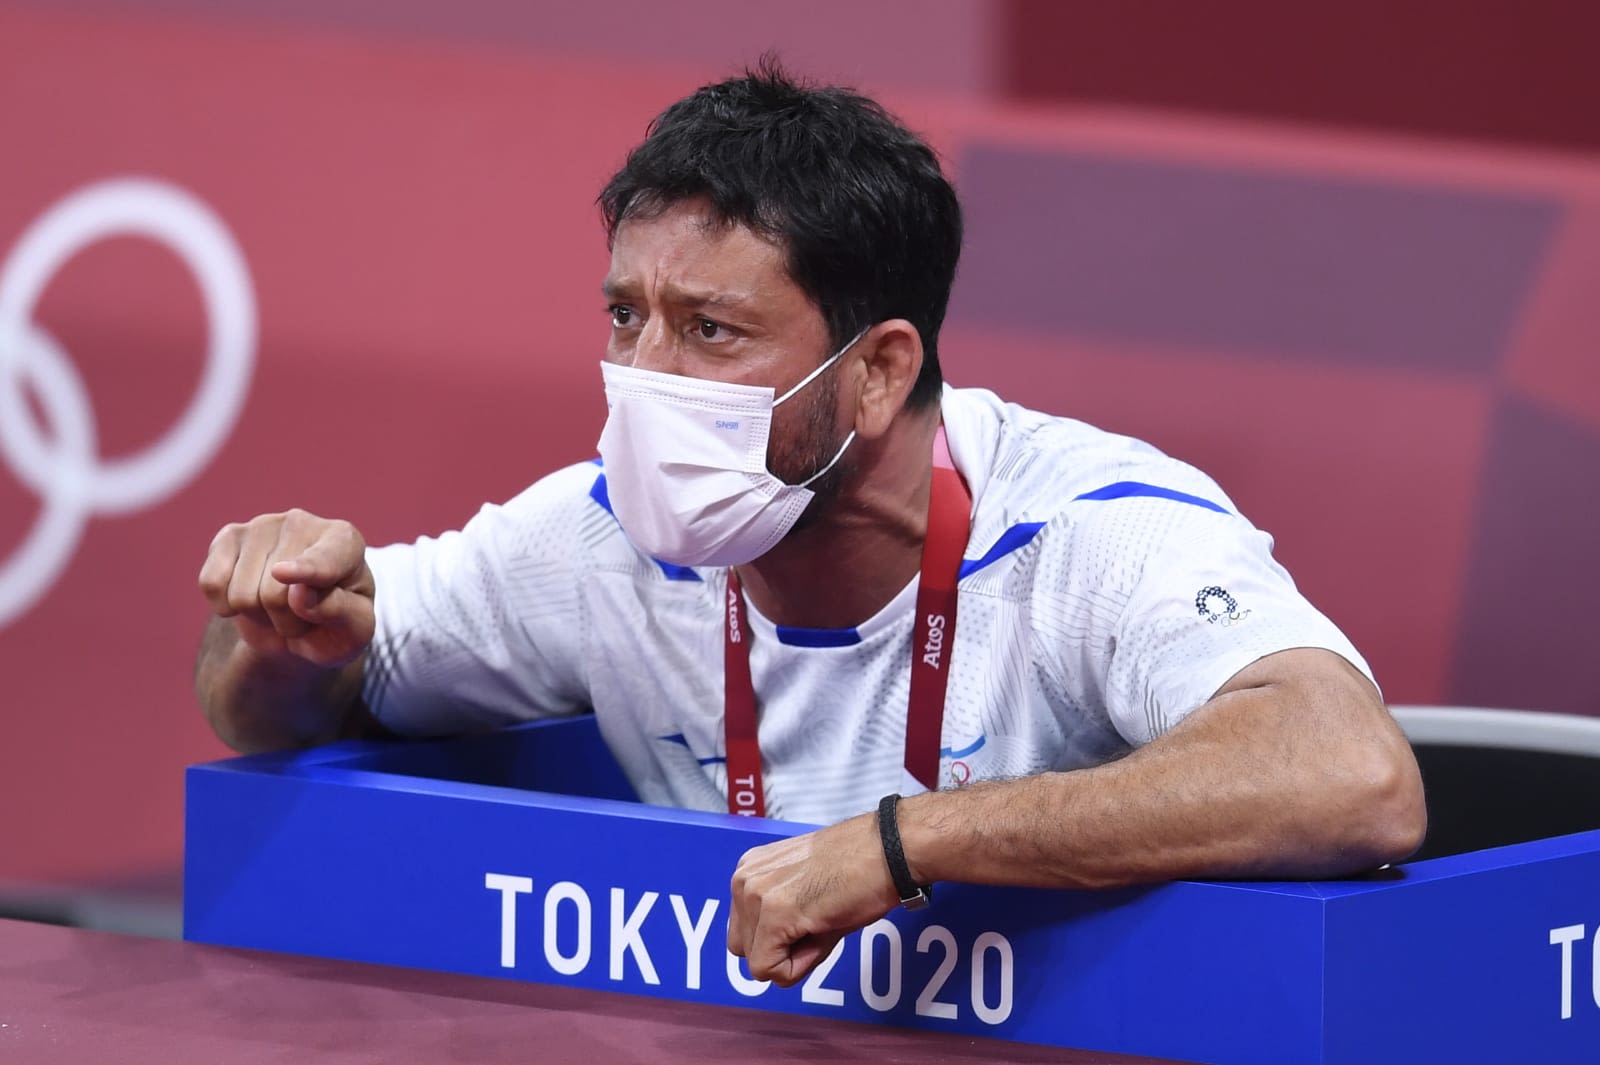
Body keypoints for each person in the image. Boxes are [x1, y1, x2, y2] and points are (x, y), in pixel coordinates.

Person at [195, 60, 1426, 989]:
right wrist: (282, 630)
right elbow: (279, 710)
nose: (644, 378)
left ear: (878, 371)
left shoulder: (1092, 532)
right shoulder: (600, 533)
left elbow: (1351, 777)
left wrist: (901, 843)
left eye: (710, 331)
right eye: (626, 317)